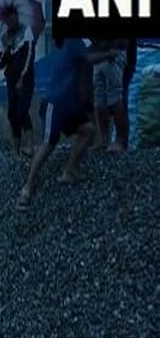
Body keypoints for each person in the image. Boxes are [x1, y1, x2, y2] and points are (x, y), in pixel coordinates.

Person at [16, 38, 120, 211]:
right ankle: (27, 188)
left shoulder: (74, 45)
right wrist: (109, 54)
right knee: (48, 144)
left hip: (70, 105)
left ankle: (69, 171)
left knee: (88, 130)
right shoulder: (74, 43)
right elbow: (89, 58)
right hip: (55, 104)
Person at [0, 6, 36, 158]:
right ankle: (16, 150)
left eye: (13, 17)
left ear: (17, 16)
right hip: (10, 80)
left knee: (23, 110)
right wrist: (6, 51)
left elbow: (30, 56)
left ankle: (30, 146)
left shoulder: (26, 31)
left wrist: (22, 78)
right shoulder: (4, 39)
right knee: (12, 113)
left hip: (25, 78)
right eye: (8, 18)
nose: (11, 20)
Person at [91, 39, 129, 152]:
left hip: (113, 54)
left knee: (115, 96)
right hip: (100, 55)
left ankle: (121, 140)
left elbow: (124, 42)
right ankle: (103, 140)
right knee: (99, 99)